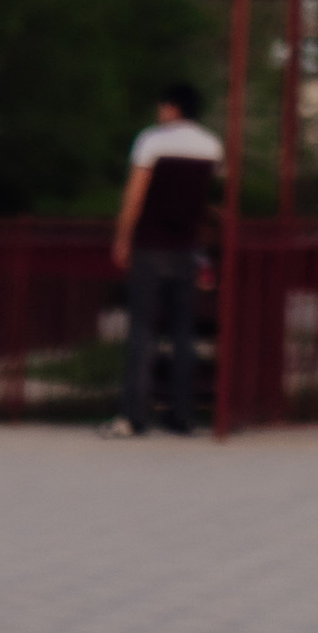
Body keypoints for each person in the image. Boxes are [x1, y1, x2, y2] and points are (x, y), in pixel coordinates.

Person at [99, 78, 222, 440]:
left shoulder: (151, 141)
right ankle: (182, 415)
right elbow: (207, 199)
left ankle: (133, 416)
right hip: (186, 248)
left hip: (150, 246)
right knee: (183, 333)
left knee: (142, 331)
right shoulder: (211, 146)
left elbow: (136, 195)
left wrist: (122, 238)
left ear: (172, 107)